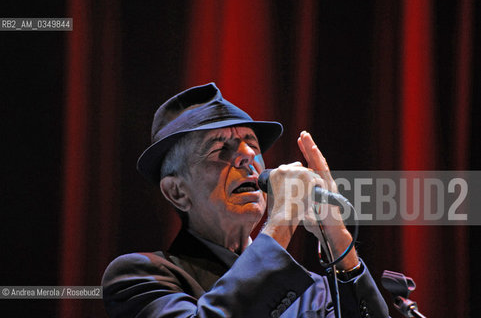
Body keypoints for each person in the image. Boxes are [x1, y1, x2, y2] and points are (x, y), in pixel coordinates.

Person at [102, 83, 389, 317]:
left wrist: (336, 233)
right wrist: (283, 218)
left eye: (251, 144)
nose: (248, 155)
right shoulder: (141, 277)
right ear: (177, 191)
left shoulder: (312, 291)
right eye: (218, 149)